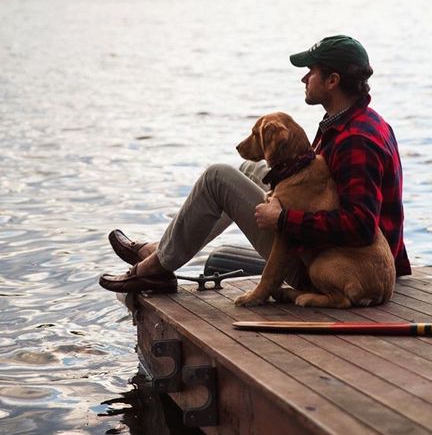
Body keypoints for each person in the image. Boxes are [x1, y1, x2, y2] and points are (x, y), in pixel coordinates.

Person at [99, 35, 411, 294]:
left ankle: (154, 267)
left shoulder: (357, 141)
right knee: (249, 170)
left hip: (335, 268)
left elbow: (361, 227)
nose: (303, 77)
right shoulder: (352, 122)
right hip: (331, 251)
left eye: (311, 71)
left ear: (332, 80)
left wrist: (283, 219)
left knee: (217, 178)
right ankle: (163, 249)